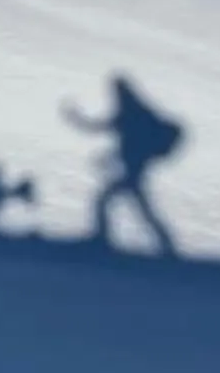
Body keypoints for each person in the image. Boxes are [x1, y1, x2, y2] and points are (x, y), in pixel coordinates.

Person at [63, 74, 184, 256]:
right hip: (134, 169)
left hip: (134, 170)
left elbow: (96, 127)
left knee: (111, 201)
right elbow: (113, 136)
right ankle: (165, 244)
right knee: (133, 204)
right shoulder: (137, 112)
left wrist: (73, 116)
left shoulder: (131, 115)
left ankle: (102, 238)